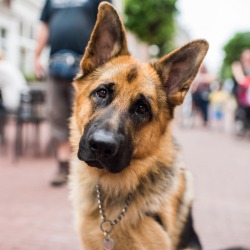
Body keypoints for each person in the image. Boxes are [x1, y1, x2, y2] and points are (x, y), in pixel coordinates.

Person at [34, 0, 112, 187]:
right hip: (55, 65)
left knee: (88, 117)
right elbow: (45, 27)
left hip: (86, 68)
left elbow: (108, 25)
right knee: (57, 116)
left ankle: (87, 169)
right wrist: (36, 56)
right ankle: (63, 167)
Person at [232, 49, 250, 134]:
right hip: (240, 91)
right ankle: (240, 123)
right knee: (241, 109)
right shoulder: (237, 65)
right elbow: (240, 80)